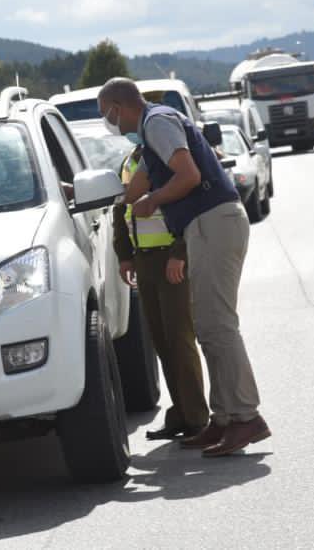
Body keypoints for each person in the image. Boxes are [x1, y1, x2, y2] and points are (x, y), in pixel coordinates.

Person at [98, 78, 269, 457]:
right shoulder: (148, 137)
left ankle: (246, 417)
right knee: (208, 326)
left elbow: (188, 176)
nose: (107, 123)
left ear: (118, 107)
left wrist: (153, 200)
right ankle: (223, 419)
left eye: (105, 114)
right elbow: (128, 193)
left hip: (212, 222)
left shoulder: (157, 122)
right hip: (203, 226)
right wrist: (78, 192)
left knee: (218, 325)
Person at [113, 145, 209, 440]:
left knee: (180, 339)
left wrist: (180, 251)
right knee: (162, 342)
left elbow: (189, 206)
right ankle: (180, 415)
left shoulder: (168, 159)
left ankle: (197, 419)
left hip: (170, 257)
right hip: (144, 260)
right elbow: (122, 207)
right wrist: (125, 255)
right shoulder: (130, 160)